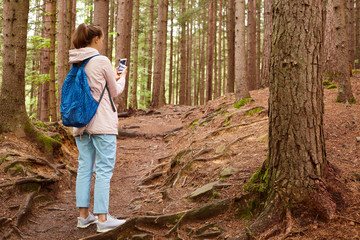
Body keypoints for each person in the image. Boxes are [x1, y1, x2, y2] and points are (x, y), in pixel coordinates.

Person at [69, 23, 127, 233]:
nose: (102, 42)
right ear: (95, 40)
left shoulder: (75, 62)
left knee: (84, 169)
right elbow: (114, 91)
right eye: (101, 38)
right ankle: (103, 219)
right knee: (103, 170)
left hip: (80, 125)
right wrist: (122, 76)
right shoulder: (101, 60)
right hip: (102, 124)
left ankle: (84, 217)